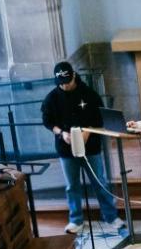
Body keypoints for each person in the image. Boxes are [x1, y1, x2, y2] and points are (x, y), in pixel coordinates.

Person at [41, 61, 116, 233]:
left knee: (100, 182)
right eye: (61, 83)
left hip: (91, 147)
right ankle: (76, 220)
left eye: (67, 82)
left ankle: (110, 216)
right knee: (72, 186)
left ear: (74, 75)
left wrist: (87, 131)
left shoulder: (89, 94)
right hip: (66, 148)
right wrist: (61, 133)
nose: (65, 86)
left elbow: (100, 117)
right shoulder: (52, 97)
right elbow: (47, 121)